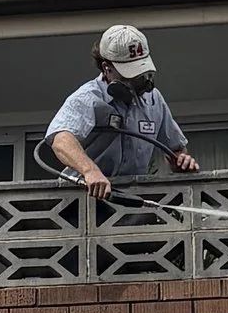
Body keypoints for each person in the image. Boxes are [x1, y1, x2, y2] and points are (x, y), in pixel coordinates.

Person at [43, 24, 202, 196]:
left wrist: (180, 161)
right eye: (129, 73)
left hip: (129, 200)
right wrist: (90, 171)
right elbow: (61, 140)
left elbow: (176, 149)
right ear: (107, 68)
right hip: (82, 199)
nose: (136, 80)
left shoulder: (153, 99)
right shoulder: (89, 97)